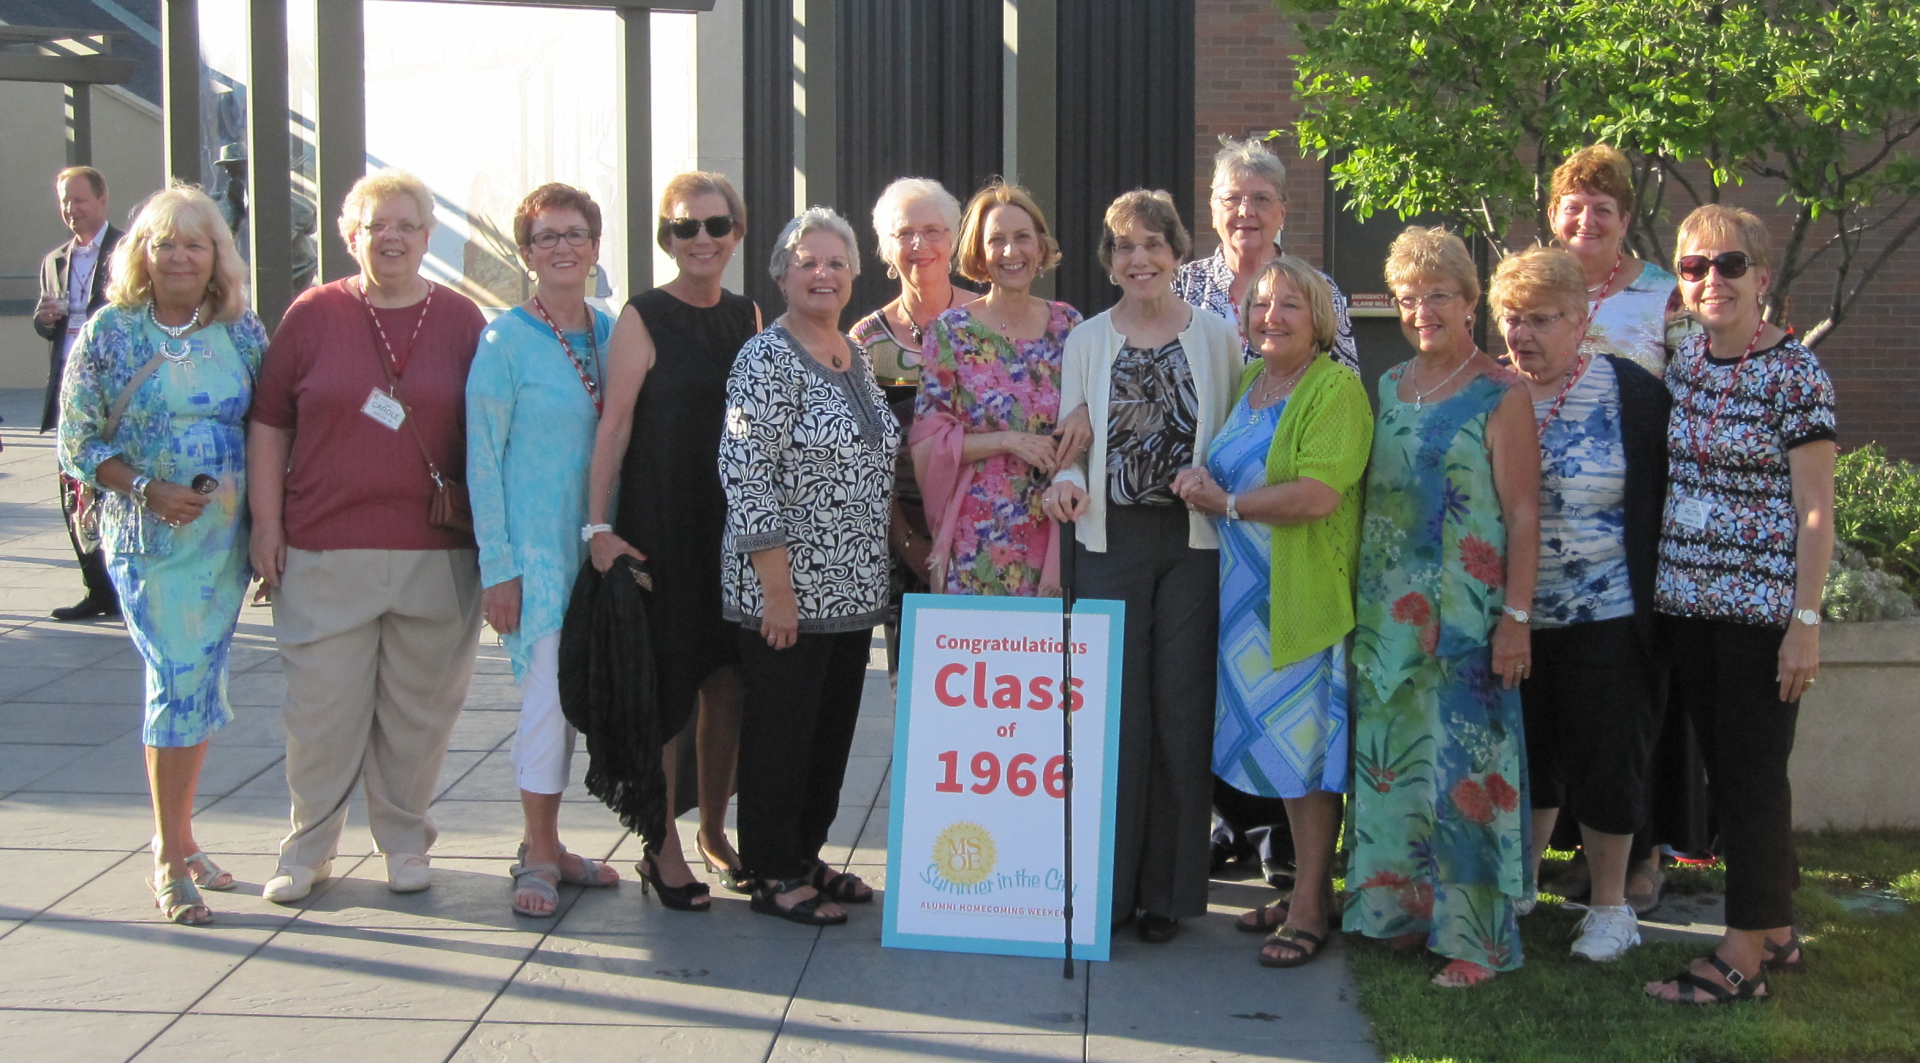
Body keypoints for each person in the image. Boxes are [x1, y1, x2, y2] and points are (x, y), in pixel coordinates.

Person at [248, 169, 487, 903]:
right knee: (321, 712)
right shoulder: (312, 314)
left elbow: (491, 431)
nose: (390, 237)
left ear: (427, 236)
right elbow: (269, 421)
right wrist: (267, 524)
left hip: (437, 551)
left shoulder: (462, 319)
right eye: (374, 225)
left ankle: (405, 840)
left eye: (406, 225)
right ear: (350, 236)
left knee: (419, 714)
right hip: (324, 546)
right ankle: (308, 847)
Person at [57, 185, 267, 924]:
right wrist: (146, 488)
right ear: (142, 253)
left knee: (199, 683)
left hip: (224, 544)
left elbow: (273, 428)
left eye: (195, 243)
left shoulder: (241, 332)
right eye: (164, 243)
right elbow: (77, 440)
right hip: (150, 543)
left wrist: (269, 532)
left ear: (217, 257)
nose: (179, 255)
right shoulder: (112, 333)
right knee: (175, 681)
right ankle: (168, 859)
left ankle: (181, 834)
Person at [1645, 205, 1835, 1004]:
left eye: (1728, 265)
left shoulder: (1795, 373)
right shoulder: (1686, 360)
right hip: (1688, 606)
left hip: (1760, 616)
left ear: (1762, 275)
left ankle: (1740, 958)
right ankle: (1778, 928)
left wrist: (1805, 622)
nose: (1710, 280)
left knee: (1754, 779)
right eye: (1693, 267)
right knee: (1727, 776)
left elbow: (1816, 508)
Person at [1040, 190, 1242, 943]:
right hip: (1110, 542)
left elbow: (1230, 429)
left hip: (1191, 546)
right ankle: (1111, 888)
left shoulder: (1218, 337)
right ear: (1109, 260)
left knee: (1181, 712)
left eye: (1153, 244)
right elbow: (1073, 445)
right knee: (1115, 713)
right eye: (1124, 246)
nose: (1139, 258)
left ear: (1177, 253)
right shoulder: (1088, 340)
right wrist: (1065, 482)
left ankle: (1168, 893)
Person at [1343, 226, 1540, 988]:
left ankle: (1475, 942)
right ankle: (1399, 910)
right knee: (1395, 765)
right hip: (1389, 612)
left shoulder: (1501, 392)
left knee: (1465, 769)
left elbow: (1524, 513)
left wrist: (1516, 616)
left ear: (1468, 301)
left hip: (1466, 616)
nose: (1422, 309)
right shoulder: (1390, 386)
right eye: (1408, 297)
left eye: (1438, 295)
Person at [1170, 256, 1372, 967]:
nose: (1271, 317)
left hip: (1299, 602)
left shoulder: (1334, 388)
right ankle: (1303, 891)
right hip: (1243, 606)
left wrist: (1225, 502)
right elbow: (1227, 464)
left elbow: (1318, 495)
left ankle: (1312, 904)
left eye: (1289, 306)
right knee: (1279, 758)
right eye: (1260, 305)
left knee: (1308, 762)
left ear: (1320, 319)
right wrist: (1202, 477)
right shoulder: (1254, 381)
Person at [1492, 247, 1672, 962]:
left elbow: (1660, 494)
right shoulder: (1493, 393)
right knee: (1528, 756)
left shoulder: (1633, 393)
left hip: (1611, 614)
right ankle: (1522, 882)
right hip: (1516, 615)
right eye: (1511, 318)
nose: (1524, 333)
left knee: (1606, 761)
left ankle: (1609, 905)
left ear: (1581, 318)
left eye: (1541, 318)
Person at [584, 171, 759, 903]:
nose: (701, 240)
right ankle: (660, 846)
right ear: (666, 238)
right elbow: (615, 425)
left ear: (736, 233)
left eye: (715, 226)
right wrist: (598, 526)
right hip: (662, 525)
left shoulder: (748, 315)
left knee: (729, 685)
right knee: (663, 692)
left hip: (733, 530)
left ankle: (714, 831)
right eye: (684, 228)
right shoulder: (643, 315)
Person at [721, 207, 899, 927]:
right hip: (787, 592)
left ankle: (804, 852)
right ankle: (770, 867)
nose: (822, 274)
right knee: (781, 734)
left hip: (852, 592)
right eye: (808, 262)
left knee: (830, 736)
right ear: (781, 274)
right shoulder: (765, 356)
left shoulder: (853, 354)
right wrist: (776, 589)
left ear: (854, 275)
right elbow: (746, 469)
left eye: (836, 263)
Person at [467, 183, 622, 917]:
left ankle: (559, 846)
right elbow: (481, 461)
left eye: (575, 234)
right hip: (538, 556)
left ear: (596, 245)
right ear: (527, 254)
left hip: (605, 550)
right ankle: (538, 847)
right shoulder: (503, 343)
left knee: (597, 699)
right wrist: (499, 568)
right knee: (547, 704)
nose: (563, 247)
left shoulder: (613, 333)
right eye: (546, 237)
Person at [910, 181, 1080, 596]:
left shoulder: (1070, 326)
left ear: (1040, 247)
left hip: (1056, 528)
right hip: (977, 539)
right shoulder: (950, 332)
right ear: (979, 253)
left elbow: (1093, 415)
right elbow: (927, 444)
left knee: (1047, 657)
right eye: (996, 240)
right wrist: (1007, 441)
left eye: (1022, 238)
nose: (1010, 252)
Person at [849, 179, 977, 668]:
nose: (919, 245)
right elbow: (865, 460)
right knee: (918, 691)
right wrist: (905, 540)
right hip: (904, 537)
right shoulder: (863, 341)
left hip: (988, 526)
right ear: (885, 246)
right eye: (905, 233)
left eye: (932, 231)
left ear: (954, 238)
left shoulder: (988, 320)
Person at [1172, 136, 1358, 373]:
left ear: (1282, 213)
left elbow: (1346, 383)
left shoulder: (1319, 290)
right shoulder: (1180, 287)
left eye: (1261, 199)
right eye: (1232, 198)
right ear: (1213, 211)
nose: (1246, 211)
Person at [36, 166, 125, 621]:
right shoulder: (55, 260)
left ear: (102, 199)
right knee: (74, 493)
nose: (72, 209)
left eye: (80, 200)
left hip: (116, 396)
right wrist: (47, 319)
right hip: (70, 397)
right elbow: (42, 321)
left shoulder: (128, 251)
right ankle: (97, 589)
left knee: (118, 490)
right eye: (65, 202)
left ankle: (126, 586)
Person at [1550, 145, 1680, 377]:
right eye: (1573, 208)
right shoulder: (1532, 290)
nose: (1587, 221)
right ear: (1553, 217)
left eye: (1603, 210)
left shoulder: (1666, 295)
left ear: (1623, 222)